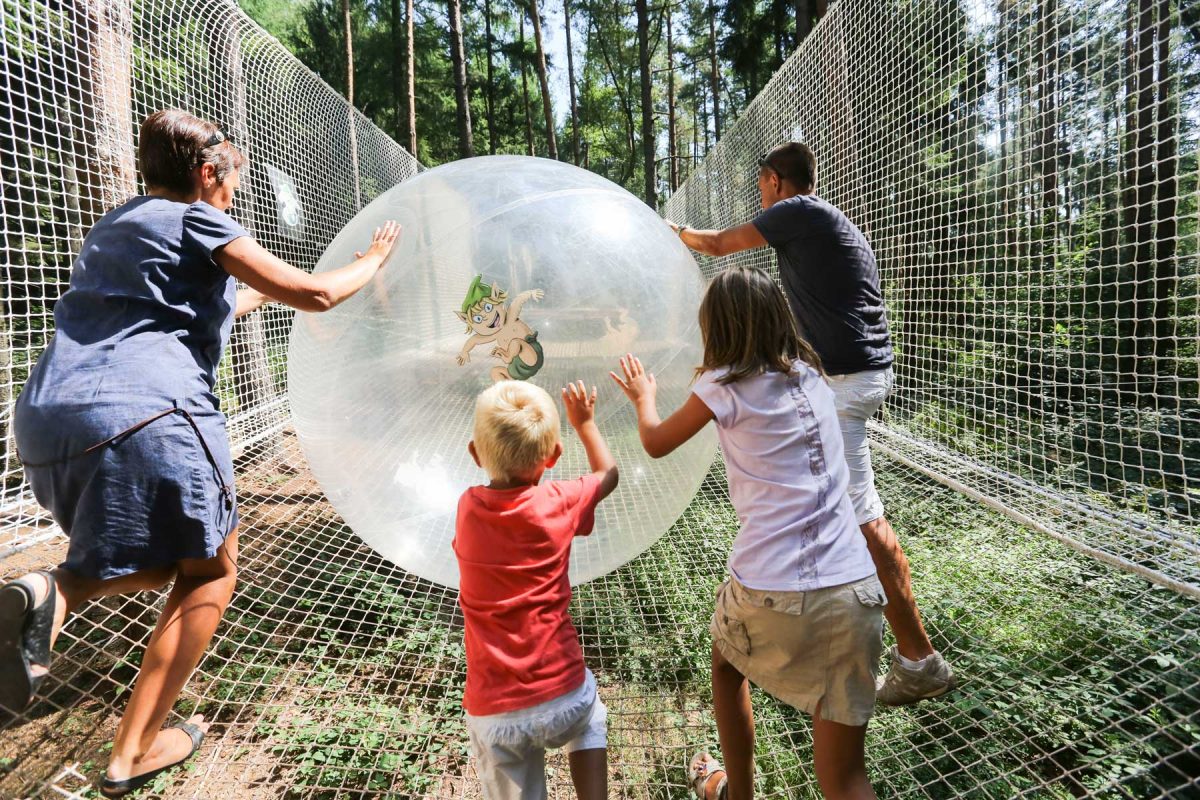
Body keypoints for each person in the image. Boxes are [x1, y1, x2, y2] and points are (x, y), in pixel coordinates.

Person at [0, 108, 400, 797]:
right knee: (213, 570)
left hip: (48, 420)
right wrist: (374, 258)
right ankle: (131, 753)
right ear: (207, 172)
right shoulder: (199, 218)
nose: (232, 199)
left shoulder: (118, 225)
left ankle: (44, 592)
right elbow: (319, 292)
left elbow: (185, 303)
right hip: (147, 412)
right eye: (231, 186)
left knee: (159, 564)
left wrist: (258, 301)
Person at [667, 142, 954, 706]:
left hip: (847, 383)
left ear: (774, 181)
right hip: (850, 377)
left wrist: (675, 231)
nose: (759, 197)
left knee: (863, 514)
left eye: (759, 187)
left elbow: (723, 246)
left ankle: (918, 659)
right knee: (838, 503)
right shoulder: (818, 221)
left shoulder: (798, 211)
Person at [611, 267, 885, 800]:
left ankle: (737, 794)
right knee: (846, 778)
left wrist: (644, 395)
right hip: (856, 591)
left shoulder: (721, 384)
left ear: (717, 328)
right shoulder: (811, 376)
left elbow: (656, 443)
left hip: (773, 587)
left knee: (726, 661)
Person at [453, 379, 619, 800]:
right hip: (565, 696)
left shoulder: (467, 510)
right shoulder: (561, 501)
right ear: (554, 456)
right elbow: (607, 474)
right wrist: (584, 423)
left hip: (495, 712)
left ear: (474, 454)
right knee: (590, 716)